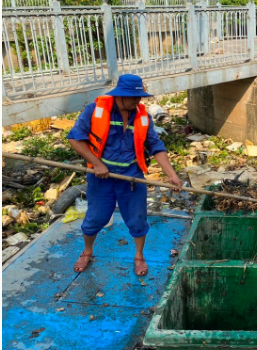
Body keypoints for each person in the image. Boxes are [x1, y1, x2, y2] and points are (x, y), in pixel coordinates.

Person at [67, 74, 183, 276]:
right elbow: (75, 138)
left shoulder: (143, 117)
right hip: (101, 178)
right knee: (96, 218)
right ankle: (87, 252)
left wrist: (171, 174)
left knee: (138, 220)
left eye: (139, 97)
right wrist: (97, 164)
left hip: (131, 177)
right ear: (119, 95)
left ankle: (139, 256)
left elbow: (156, 146)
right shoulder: (95, 111)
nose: (137, 101)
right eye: (132, 97)